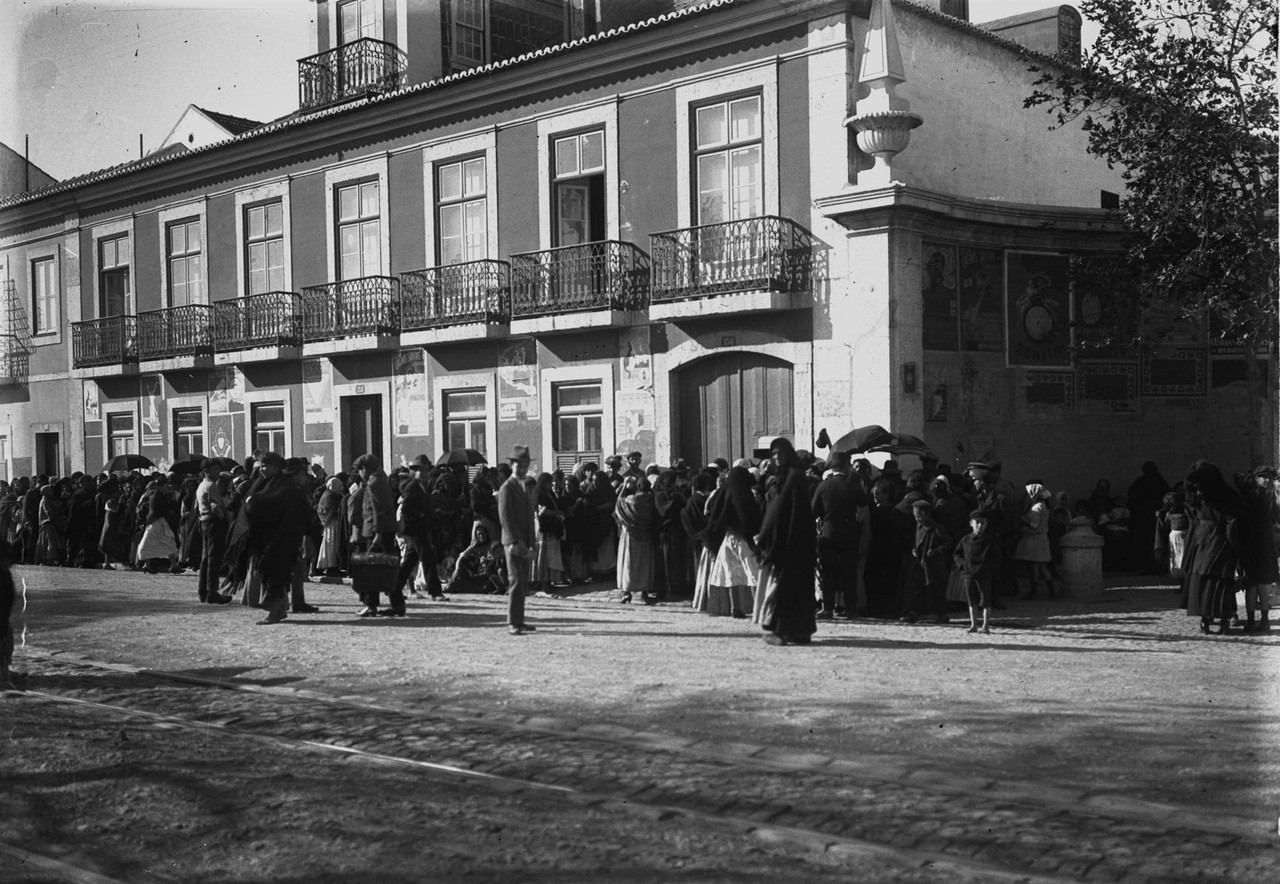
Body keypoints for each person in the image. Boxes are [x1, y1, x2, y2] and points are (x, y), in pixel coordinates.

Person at [239, 453, 322, 625]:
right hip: (270, 537)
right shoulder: (270, 483)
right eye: (261, 466)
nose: (262, 469)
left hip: (281, 539)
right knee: (274, 574)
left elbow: (273, 505)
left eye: (265, 466)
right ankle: (279, 608)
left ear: (277, 467)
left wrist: (253, 502)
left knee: (276, 575)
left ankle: (275, 611)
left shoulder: (284, 486)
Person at [755, 437, 817, 646]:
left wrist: (764, 536)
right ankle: (800, 631)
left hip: (793, 540)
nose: (776, 457)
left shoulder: (793, 476)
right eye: (773, 454)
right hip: (794, 539)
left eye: (780, 453)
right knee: (797, 586)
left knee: (787, 586)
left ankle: (781, 631)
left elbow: (780, 509)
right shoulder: (788, 476)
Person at [1181, 461, 1242, 635]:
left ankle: (1206, 621)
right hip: (1219, 543)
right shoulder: (1226, 498)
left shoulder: (1200, 500)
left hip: (1204, 543)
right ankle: (1222, 621)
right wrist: (1235, 548)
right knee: (1221, 582)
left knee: (1206, 582)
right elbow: (1232, 525)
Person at [811, 451, 862, 619]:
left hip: (829, 532)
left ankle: (827, 608)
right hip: (849, 533)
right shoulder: (852, 484)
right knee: (849, 572)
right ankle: (851, 608)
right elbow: (864, 501)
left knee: (828, 572)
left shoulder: (823, 486)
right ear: (845, 466)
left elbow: (814, 510)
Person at [704, 466, 760, 618]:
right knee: (754, 573)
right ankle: (758, 609)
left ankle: (735, 608)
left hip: (728, 538)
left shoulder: (724, 494)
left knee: (731, 573)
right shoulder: (745, 495)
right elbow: (752, 519)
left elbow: (712, 512)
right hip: (745, 539)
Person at [497, 445, 537, 635]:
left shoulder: (524, 486)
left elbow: (529, 516)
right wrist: (515, 541)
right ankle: (512, 621)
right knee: (515, 580)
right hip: (513, 542)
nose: (522, 469)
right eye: (518, 465)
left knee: (523, 583)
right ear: (511, 465)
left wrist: (531, 540)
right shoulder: (507, 488)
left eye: (525, 465)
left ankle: (520, 620)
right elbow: (506, 518)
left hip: (525, 540)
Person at [355, 453, 398, 617]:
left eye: (360, 470)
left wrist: (377, 535)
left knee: (371, 569)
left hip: (375, 531)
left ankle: (371, 604)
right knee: (389, 567)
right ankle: (397, 603)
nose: (359, 473)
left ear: (365, 469)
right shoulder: (383, 480)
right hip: (385, 530)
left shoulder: (373, 483)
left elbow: (378, 511)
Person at [1239, 466, 1278, 633]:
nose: (1267, 480)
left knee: (1262, 586)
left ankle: (1263, 620)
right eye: (1264, 477)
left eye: (1269, 477)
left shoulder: (1269, 497)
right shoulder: (1251, 497)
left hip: (1264, 545)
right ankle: (1252, 621)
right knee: (1253, 585)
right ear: (1256, 478)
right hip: (1253, 544)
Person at [615, 475, 658, 604]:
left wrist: (624, 485)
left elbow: (618, 505)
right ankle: (644, 592)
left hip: (630, 535)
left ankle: (626, 591)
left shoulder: (630, 500)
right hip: (645, 535)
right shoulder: (651, 500)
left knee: (628, 562)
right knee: (644, 563)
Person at [906, 499, 951, 624]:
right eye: (915, 516)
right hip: (919, 563)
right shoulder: (918, 526)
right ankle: (913, 612)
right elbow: (916, 541)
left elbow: (948, 543)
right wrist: (914, 550)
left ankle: (943, 614)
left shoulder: (936, 528)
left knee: (936, 590)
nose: (917, 519)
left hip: (932, 565)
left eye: (919, 516)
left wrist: (936, 551)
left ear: (926, 514)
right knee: (916, 588)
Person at [954, 510, 999, 634]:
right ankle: (973, 624)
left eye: (983, 523)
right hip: (968, 574)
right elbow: (957, 554)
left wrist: (988, 568)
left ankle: (985, 625)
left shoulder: (990, 540)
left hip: (984, 574)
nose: (980, 525)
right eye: (977, 522)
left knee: (985, 600)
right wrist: (963, 566)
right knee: (971, 599)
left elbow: (997, 557)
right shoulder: (965, 540)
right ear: (971, 523)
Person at [196, 460, 232, 604]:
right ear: (207, 470)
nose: (218, 471)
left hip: (204, 522)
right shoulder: (211, 486)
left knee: (206, 558)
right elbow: (216, 507)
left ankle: (203, 591)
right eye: (215, 469)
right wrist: (224, 517)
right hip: (213, 523)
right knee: (214, 559)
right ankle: (212, 592)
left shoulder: (202, 485)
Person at [1127, 461, 1170, 573]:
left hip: (1148, 517)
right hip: (1150, 516)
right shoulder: (1159, 482)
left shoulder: (1141, 483)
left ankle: (1147, 566)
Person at [1015, 484, 1055, 599]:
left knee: (1035, 566)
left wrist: (1023, 521)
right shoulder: (1043, 506)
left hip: (1035, 540)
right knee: (1041, 565)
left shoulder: (1036, 507)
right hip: (1041, 539)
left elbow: (1034, 524)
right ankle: (1051, 591)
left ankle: (1034, 593)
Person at [449, 523, 507, 594]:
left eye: (483, 534)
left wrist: (488, 560)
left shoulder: (493, 544)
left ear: (487, 534)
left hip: (489, 573)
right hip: (478, 572)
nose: (481, 536)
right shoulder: (475, 546)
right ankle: (450, 587)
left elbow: (498, 558)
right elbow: (462, 556)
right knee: (461, 566)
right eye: (479, 534)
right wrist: (471, 548)